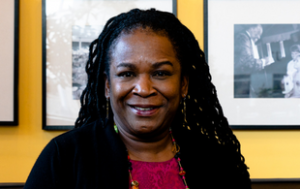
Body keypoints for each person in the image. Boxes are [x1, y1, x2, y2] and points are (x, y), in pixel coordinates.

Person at [24, 9, 251, 189]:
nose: (143, 89)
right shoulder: (64, 157)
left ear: (183, 84)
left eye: (160, 73)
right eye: (126, 74)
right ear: (107, 85)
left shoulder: (216, 160)